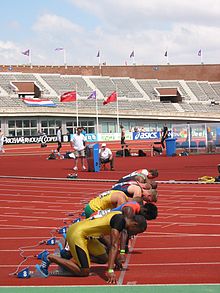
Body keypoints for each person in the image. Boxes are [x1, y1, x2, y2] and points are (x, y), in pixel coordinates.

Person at [36, 211, 147, 284]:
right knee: (84, 271)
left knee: (104, 258)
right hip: (77, 233)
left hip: (87, 235)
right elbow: (113, 246)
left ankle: (76, 259)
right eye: (138, 232)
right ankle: (49, 257)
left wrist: (115, 260)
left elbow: (105, 238)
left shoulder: (119, 214)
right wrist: (110, 270)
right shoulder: (119, 223)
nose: (136, 234)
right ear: (135, 224)